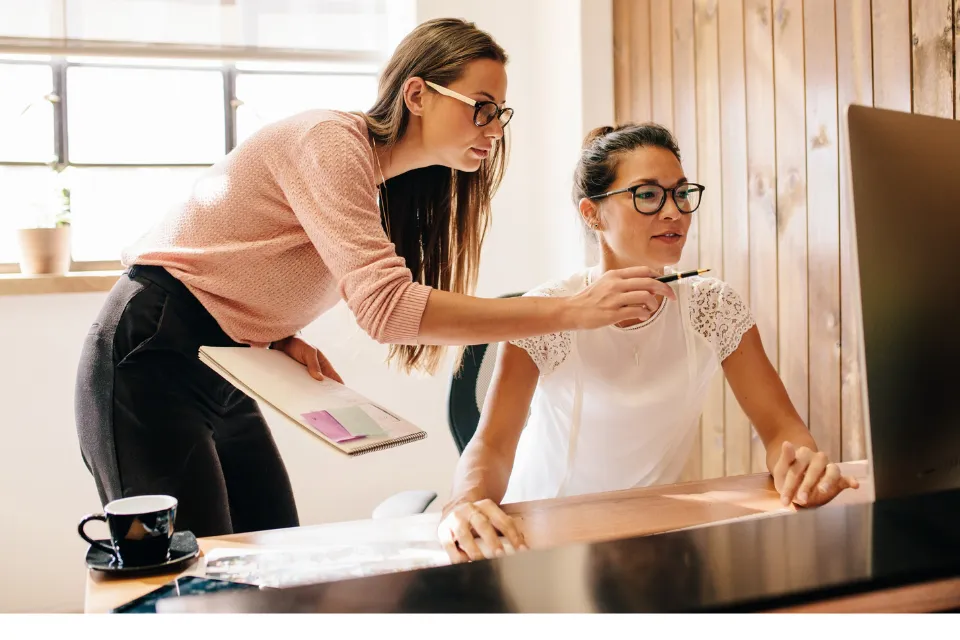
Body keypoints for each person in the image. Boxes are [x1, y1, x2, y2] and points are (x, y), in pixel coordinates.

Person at [74, 19, 674, 538]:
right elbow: (388, 311)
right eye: (482, 107)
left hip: (227, 362)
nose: (495, 127)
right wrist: (573, 310)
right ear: (417, 94)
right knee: (185, 577)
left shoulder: (384, 184)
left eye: (501, 112)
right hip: (149, 354)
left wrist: (274, 332)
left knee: (272, 554)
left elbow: (248, 256)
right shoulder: (331, 142)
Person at [437, 123, 860, 563]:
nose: (674, 212)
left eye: (680, 193)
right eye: (647, 195)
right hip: (541, 534)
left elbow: (782, 429)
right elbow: (491, 445)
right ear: (592, 214)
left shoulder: (713, 308)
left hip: (650, 534)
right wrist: (465, 503)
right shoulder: (548, 311)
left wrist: (801, 465)